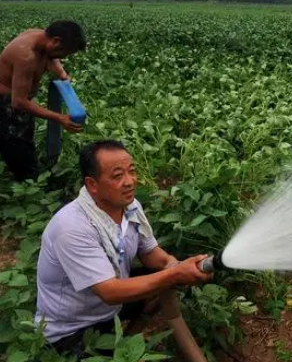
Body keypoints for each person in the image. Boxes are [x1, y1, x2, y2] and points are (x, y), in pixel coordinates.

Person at [34, 140, 212, 362]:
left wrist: (173, 265)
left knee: (164, 278)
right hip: (73, 331)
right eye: (117, 176)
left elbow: (150, 254)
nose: (130, 182)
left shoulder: (130, 206)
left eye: (131, 171)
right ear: (92, 184)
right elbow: (109, 292)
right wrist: (174, 274)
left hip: (112, 307)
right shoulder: (71, 228)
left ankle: (134, 322)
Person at [0, 20, 86, 181]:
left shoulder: (40, 36)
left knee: (19, 140)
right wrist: (60, 118)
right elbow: (18, 101)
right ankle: (28, 186)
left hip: (18, 101)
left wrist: (61, 73)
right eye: (65, 52)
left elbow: (51, 55)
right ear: (56, 41)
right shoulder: (25, 56)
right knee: (18, 147)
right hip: (6, 103)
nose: (64, 56)